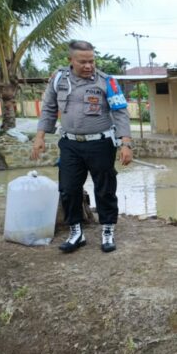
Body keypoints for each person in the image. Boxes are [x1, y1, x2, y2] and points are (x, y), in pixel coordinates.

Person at [31, 40, 133, 253]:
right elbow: (49, 108)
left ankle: (107, 229)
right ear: (71, 60)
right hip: (70, 144)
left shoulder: (107, 81)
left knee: (105, 189)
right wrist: (40, 136)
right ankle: (76, 232)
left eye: (91, 61)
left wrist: (126, 143)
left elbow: (120, 112)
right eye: (83, 62)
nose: (88, 66)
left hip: (101, 143)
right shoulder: (58, 79)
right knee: (68, 189)